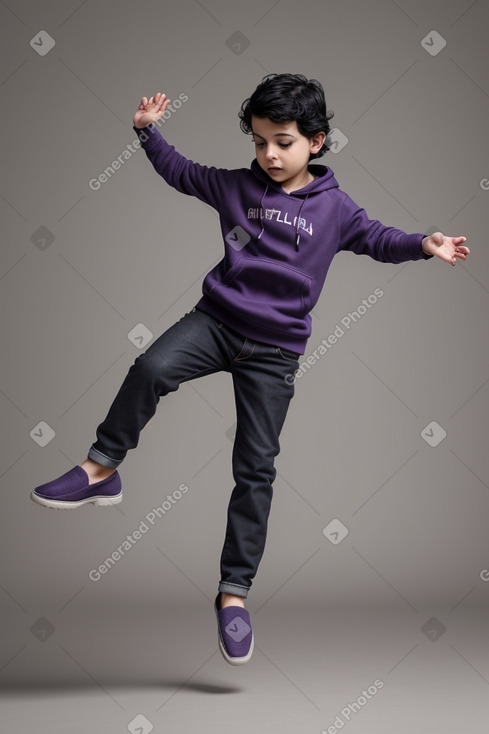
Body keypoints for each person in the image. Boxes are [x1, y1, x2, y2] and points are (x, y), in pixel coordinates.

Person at [31, 74, 469, 665]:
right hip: (215, 321)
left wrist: (423, 244)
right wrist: (146, 134)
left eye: (283, 141)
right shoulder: (237, 187)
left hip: (275, 351)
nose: (269, 154)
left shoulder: (335, 208)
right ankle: (101, 467)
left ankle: (233, 596)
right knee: (151, 365)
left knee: (255, 468)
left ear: (316, 142)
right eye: (260, 141)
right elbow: (181, 172)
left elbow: (377, 238)